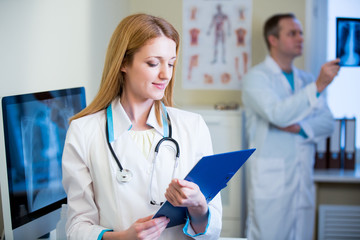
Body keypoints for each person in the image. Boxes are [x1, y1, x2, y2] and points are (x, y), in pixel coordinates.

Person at [61, 13, 222, 240]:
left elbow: (213, 230)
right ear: (124, 63)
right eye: (153, 63)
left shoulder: (192, 127)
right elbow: (77, 227)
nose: (166, 74)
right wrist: (123, 237)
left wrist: (198, 206)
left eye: (171, 63)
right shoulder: (84, 132)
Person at [242, 13, 340, 240]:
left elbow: (327, 123)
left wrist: (300, 127)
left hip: (302, 176)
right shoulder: (256, 79)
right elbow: (278, 114)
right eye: (292, 33)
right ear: (273, 39)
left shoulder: (306, 79)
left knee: (302, 234)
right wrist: (319, 85)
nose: (300, 38)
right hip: (271, 178)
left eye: (302, 33)